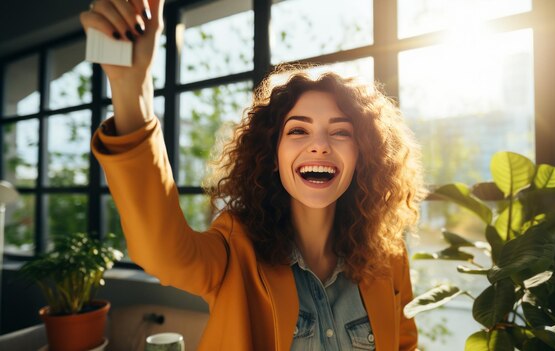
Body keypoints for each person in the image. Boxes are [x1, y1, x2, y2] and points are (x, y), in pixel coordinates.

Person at [82, 0, 425, 349]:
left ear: (362, 155)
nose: (319, 145)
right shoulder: (237, 247)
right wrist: (132, 87)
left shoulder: (389, 256)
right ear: (273, 156)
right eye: (298, 131)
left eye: (340, 132)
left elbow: (403, 343)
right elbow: (162, 252)